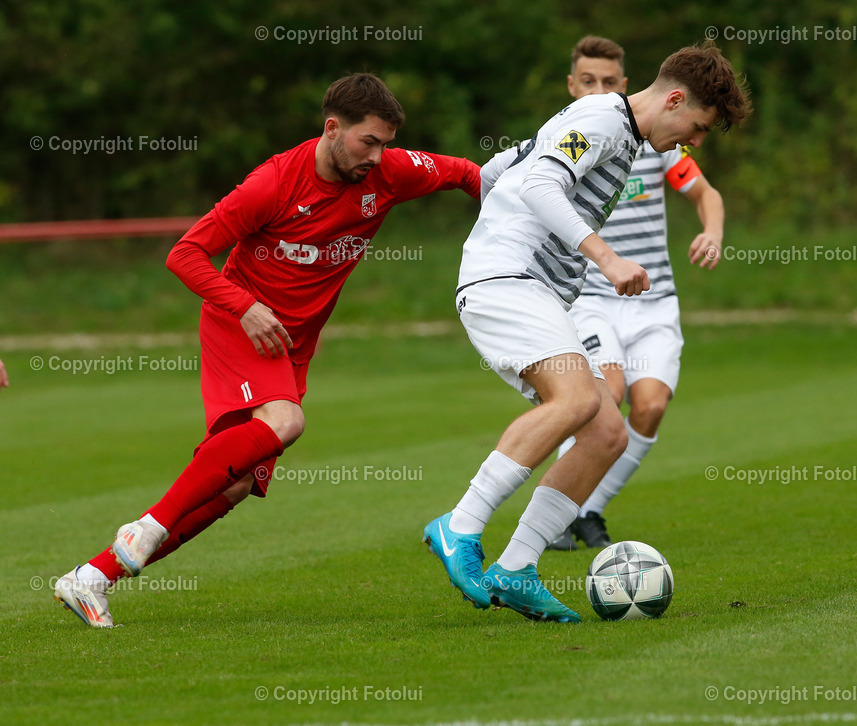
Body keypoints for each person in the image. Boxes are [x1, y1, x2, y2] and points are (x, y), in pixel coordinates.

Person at [54, 73, 481, 628]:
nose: (378, 156)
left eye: (386, 144)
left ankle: (91, 578)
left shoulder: (390, 172)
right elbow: (185, 254)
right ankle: (146, 528)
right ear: (332, 129)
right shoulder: (273, 184)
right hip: (242, 327)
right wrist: (245, 307)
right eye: (368, 142)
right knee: (285, 420)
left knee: (232, 486)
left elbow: (470, 174)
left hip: (290, 346)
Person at [423, 40, 750, 622]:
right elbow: (539, 185)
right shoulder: (602, 117)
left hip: (534, 286)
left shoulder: (619, 136)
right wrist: (605, 259)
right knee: (574, 401)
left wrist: (497, 221)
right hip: (508, 280)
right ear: (675, 99)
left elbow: (502, 170)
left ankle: (517, 567)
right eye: (698, 126)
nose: (697, 141)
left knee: (607, 434)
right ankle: (461, 525)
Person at [549, 36, 727, 550]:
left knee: (648, 408)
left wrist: (711, 232)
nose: (598, 89)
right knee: (608, 394)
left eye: (608, 82)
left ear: (625, 85)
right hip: (594, 296)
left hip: (655, 302)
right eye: (588, 81)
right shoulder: (573, 140)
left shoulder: (661, 143)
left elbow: (706, 193)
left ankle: (589, 509)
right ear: (571, 84)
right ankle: (560, 508)